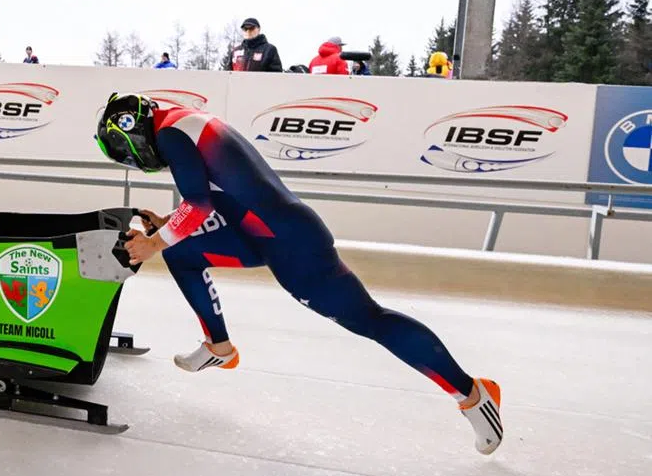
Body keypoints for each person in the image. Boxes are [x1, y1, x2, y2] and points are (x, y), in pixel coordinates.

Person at [94, 92, 504, 455]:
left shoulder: (170, 135)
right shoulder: (181, 122)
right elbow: (225, 196)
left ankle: (472, 394)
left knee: (369, 320)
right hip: (262, 233)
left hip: (290, 242)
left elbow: (199, 205)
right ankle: (219, 347)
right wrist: (166, 225)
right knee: (181, 253)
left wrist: (153, 242)